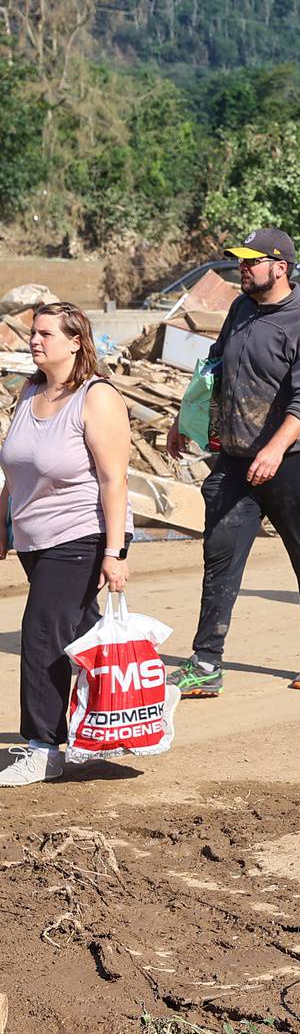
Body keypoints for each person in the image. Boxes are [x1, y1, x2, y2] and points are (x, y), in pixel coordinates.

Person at [165, 228, 300, 696]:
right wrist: (186, 419)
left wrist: (275, 448)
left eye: (251, 262)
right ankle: (206, 662)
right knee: (219, 557)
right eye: (240, 261)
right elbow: (216, 365)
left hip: (296, 461)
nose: (242, 268)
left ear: (280, 266)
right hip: (237, 458)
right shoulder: (242, 309)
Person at [0, 304, 132, 785]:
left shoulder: (96, 398)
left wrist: (114, 553)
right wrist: (3, 519)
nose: (35, 341)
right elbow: (18, 466)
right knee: (81, 636)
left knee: (40, 632)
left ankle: (42, 746)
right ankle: (100, 726)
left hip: (85, 533)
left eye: (45, 334)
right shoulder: (31, 391)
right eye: (33, 333)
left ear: (76, 341)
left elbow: (114, 479)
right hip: (36, 536)